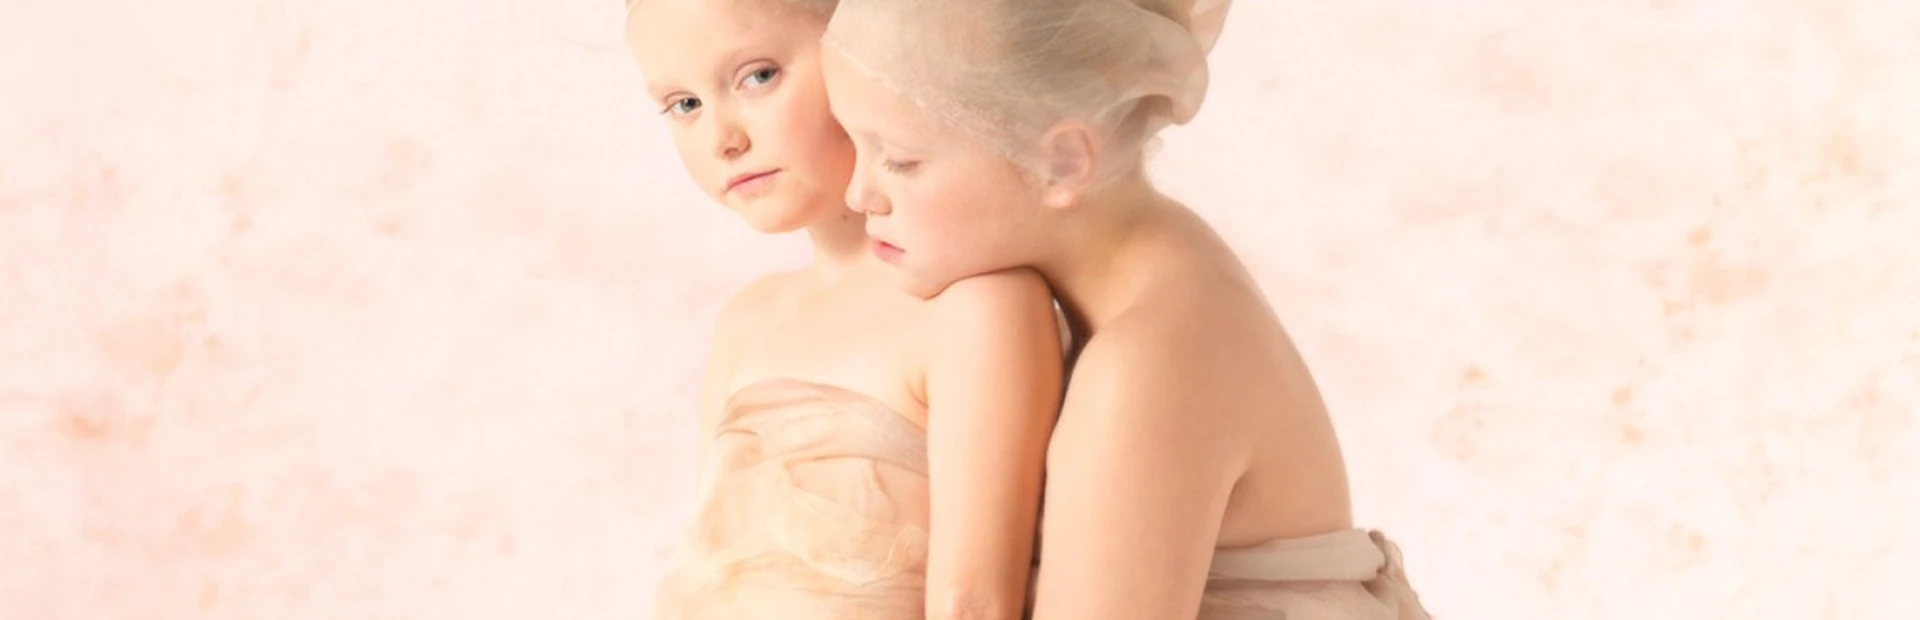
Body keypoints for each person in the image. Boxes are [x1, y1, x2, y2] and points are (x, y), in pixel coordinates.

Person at [817, 0, 1432, 617]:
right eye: (851, 142)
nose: (859, 193)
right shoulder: (1156, 258)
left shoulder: (1148, 361)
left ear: (1061, 162)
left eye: (900, 160)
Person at [624, 0, 1065, 617]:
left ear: (866, 51)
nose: (723, 139)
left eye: (758, 76)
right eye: (685, 104)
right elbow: (703, 570)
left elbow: (976, 603)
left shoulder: (973, 308)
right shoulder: (747, 322)